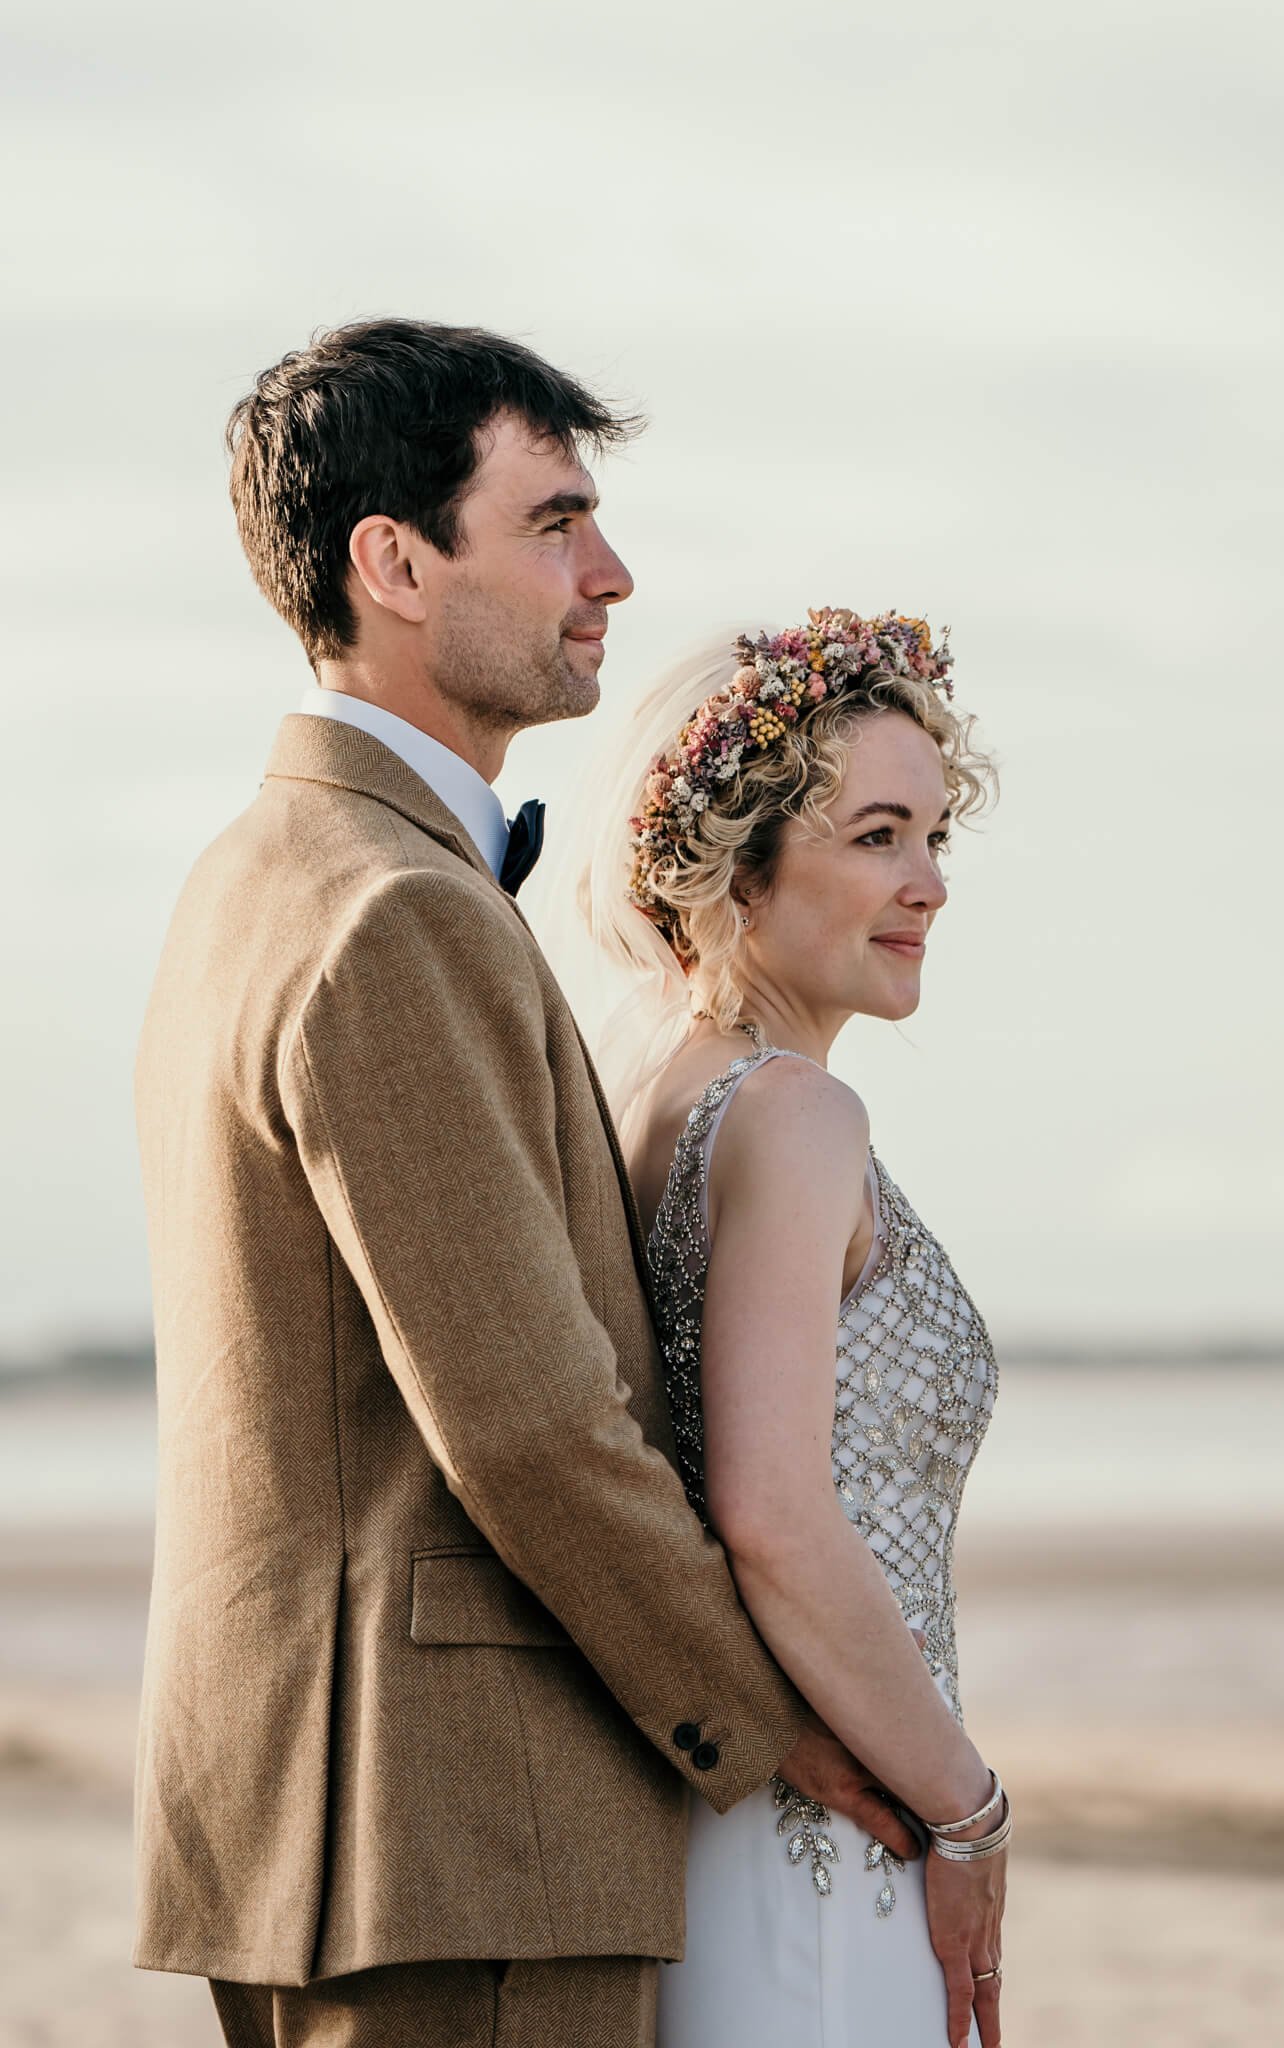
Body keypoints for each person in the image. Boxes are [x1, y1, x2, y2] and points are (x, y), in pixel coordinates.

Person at [131, 321, 923, 2048]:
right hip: (455, 1831)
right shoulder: (394, 909)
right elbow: (523, 1414)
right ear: (394, 564)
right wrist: (760, 1719)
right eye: (555, 521)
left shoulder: (249, 879)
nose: (612, 573)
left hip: (318, 1814)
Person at [581, 608, 1008, 2047]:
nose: (930, 884)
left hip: (714, 1811)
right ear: (738, 869)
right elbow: (769, 1512)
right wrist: (967, 1810)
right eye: (878, 835)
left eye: (936, 837)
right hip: (836, 1839)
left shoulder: (646, 1096)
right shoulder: (795, 1113)